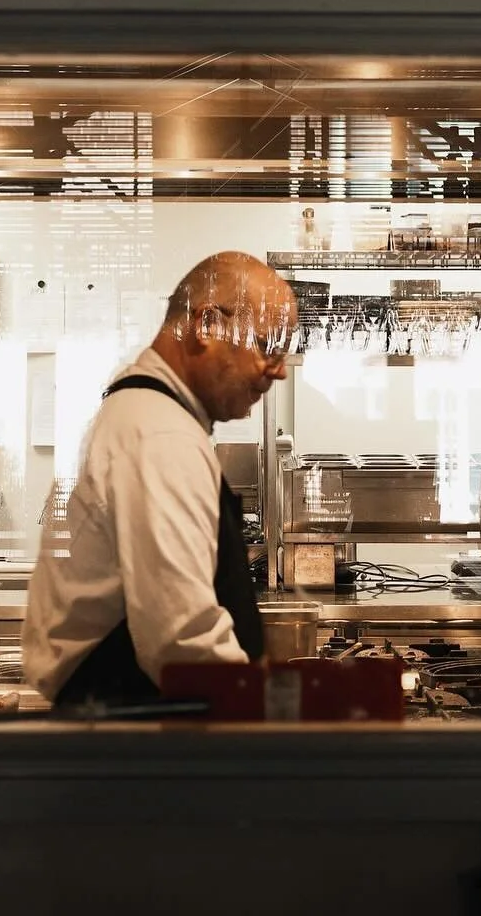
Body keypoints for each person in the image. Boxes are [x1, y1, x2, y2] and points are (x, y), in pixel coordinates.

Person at [23, 252, 299, 705]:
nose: (280, 369)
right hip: (138, 738)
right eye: (268, 347)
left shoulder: (144, 412)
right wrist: (266, 721)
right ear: (208, 325)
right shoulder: (159, 433)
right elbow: (182, 639)